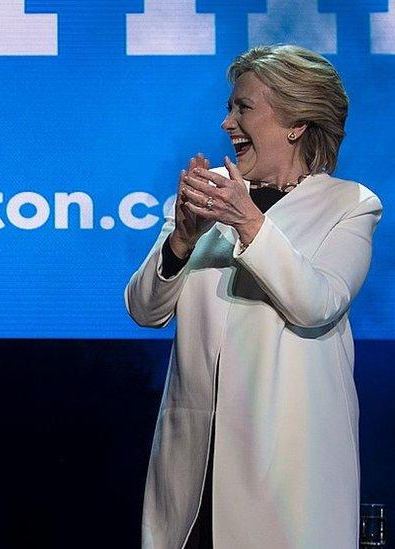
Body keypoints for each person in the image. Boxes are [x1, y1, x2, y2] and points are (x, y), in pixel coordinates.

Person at [125, 45, 382, 549]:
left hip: (286, 473)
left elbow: (316, 304)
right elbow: (143, 309)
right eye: (229, 107)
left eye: (243, 108)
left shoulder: (349, 205)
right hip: (193, 464)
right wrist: (181, 240)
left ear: (296, 122)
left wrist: (248, 221)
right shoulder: (212, 193)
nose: (227, 123)